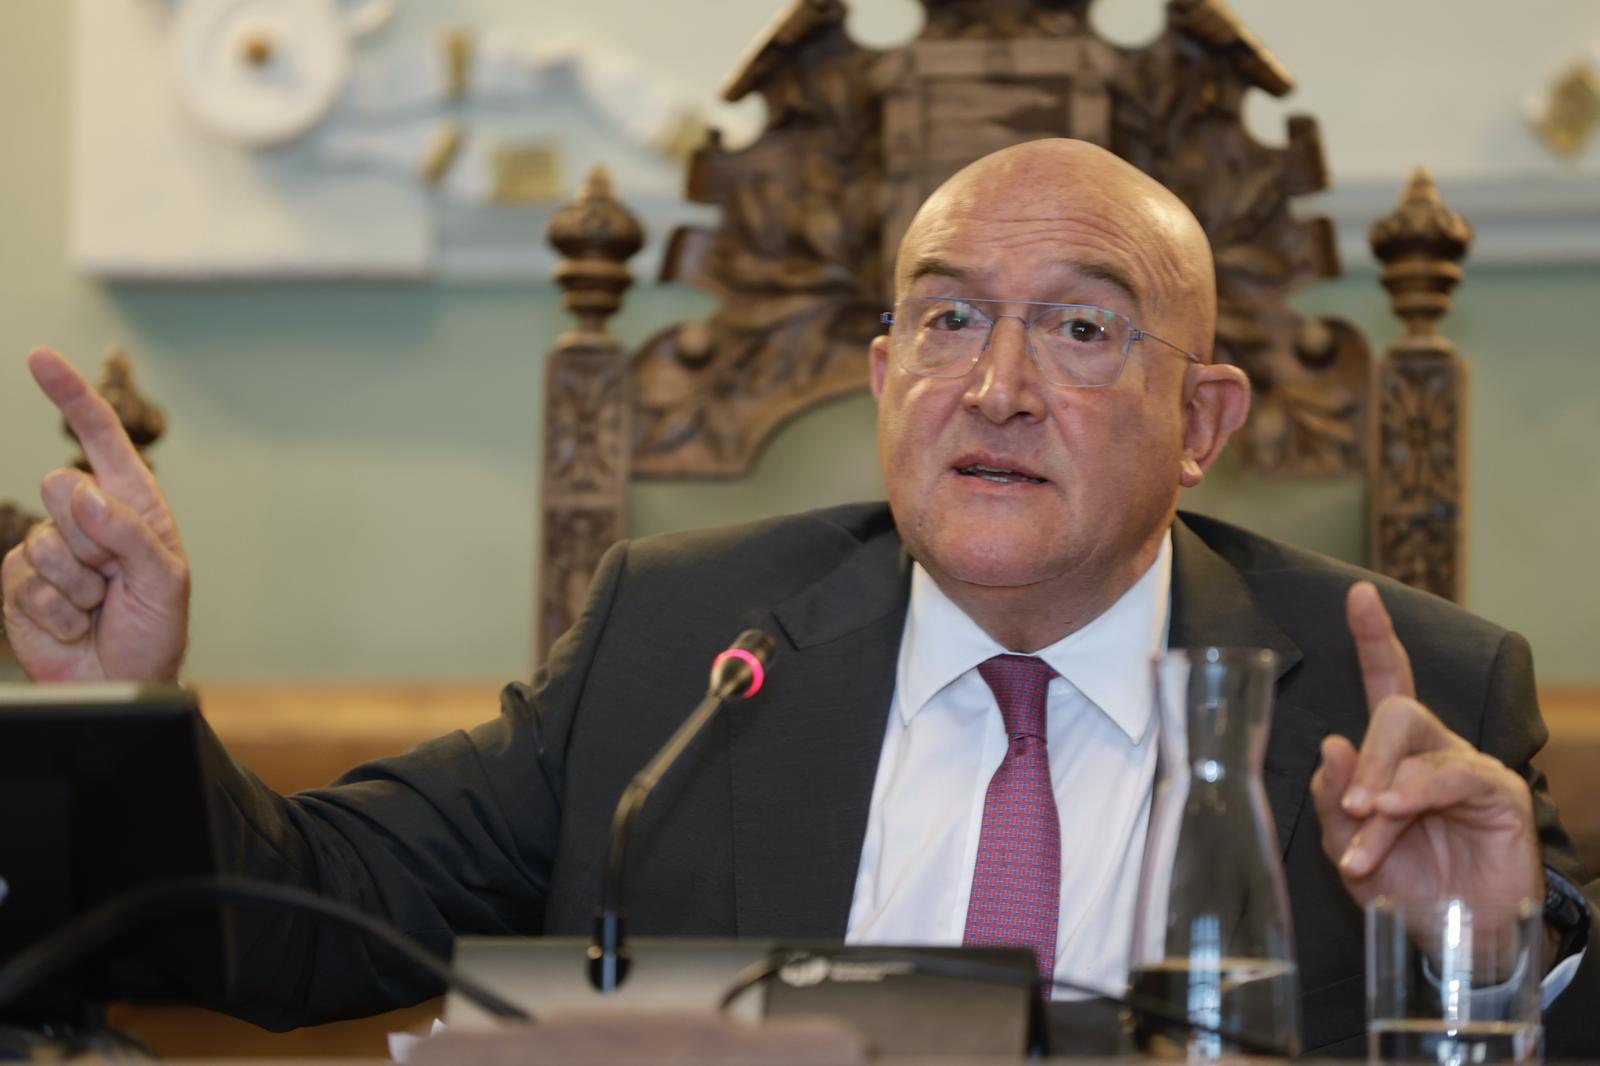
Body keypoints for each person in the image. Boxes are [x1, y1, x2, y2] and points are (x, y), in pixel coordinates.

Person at [3, 139, 1595, 1054]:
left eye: (1083, 329)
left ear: (1203, 423)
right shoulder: (679, 642)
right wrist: (115, 709)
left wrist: (1497, 953)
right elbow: (298, 918)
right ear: (886, 377)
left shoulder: (1409, 693)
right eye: (948, 320)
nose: (997, 385)